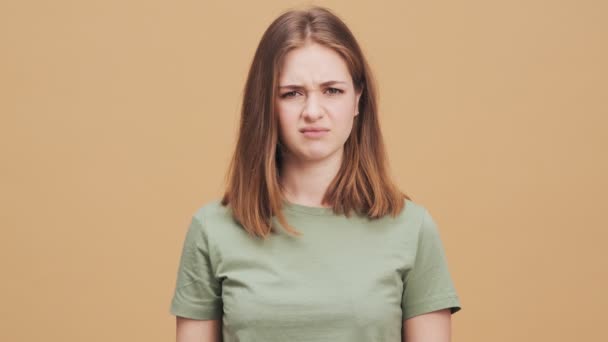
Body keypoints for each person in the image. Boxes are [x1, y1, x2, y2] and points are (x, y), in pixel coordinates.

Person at [169, 5, 462, 342]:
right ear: (266, 104)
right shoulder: (212, 230)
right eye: (292, 93)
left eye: (332, 91)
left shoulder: (412, 229)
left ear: (357, 101)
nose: (312, 111)